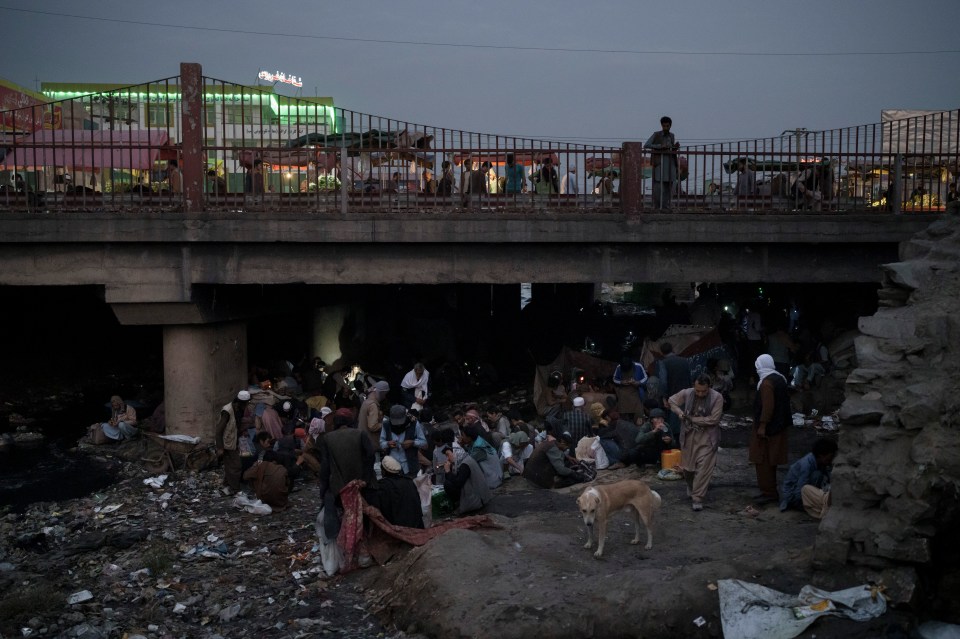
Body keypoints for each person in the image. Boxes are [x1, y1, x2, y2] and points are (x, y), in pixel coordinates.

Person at [668, 375, 723, 511]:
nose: (700, 394)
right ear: (694, 386)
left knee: (703, 468)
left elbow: (714, 419)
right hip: (688, 435)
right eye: (697, 390)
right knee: (688, 469)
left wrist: (693, 419)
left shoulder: (717, 398)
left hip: (707, 437)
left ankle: (698, 497)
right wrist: (680, 413)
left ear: (709, 388)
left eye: (703, 391)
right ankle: (692, 487)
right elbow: (671, 401)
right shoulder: (687, 393)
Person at [750, 354, 792, 505]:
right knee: (770, 460)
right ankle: (770, 491)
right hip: (778, 426)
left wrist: (762, 425)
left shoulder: (766, 383)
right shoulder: (779, 378)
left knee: (763, 461)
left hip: (768, 429)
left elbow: (768, 406)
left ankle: (768, 492)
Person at [780, 439, 837, 519]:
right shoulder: (806, 465)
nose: (830, 460)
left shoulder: (820, 462)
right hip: (794, 496)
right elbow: (799, 489)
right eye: (829, 457)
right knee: (817, 475)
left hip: (801, 492)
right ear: (821, 455)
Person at [522, 428, 587, 489]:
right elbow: (561, 470)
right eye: (567, 447)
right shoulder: (553, 449)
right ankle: (552, 485)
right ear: (562, 442)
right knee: (571, 479)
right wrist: (574, 473)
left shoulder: (550, 443)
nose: (567, 449)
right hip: (537, 481)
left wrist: (568, 457)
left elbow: (556, 454)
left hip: (529, 476)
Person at [215, 390, 252, 495]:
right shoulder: (227, 411)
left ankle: (226, 485)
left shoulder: (239, 409)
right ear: (241, 403)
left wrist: (242, 432)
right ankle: (235, 489)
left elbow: (236, 425)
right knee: (236, 465)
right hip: (226, 442)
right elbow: (219, 430)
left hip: (233, 440)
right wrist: (220, 447)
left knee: (230, 465)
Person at [441, 443, 493, 514]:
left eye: (448, 455)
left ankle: (460, 504)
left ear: (455, 452)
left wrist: (447, 471)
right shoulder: (463, 460)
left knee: (448, 485)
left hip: (478, 497)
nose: (447, 458)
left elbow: (458, 483)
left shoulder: (465, 464)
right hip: (476, 493)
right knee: (448, 482)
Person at [377, 456, 424, 528]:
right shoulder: (409, 481)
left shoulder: (384, 486)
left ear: (383, 471)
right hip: (416, 525)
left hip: (399, 527)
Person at [645, 116, 680, 211]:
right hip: (659, 164)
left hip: (670, 164)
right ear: (661, 125)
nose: (666, 128)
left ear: (670, 126)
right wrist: (660, 146)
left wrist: (674, 147)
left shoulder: (671, 136)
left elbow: (671, 148)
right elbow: (646, 145)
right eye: (664, 126)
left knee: (668, 187)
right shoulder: (656, 135)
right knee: (658, 187)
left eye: (667, 126)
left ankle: (665, 206)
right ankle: (657, 206)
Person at [380, 404, 427, 476]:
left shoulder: (414, 424)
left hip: (409, 467)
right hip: (391, 468)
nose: (398, 425)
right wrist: (387, 444)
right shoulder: (386, 425)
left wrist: (413, 442)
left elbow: (424, 443)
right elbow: (381, 443)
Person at [461, 424, 502, 490]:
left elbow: (469, 462)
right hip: (494, 475)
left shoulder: (478, 447)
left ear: (469, 437)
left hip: (492, 480)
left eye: (463, 435)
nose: (462, 438)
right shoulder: (477, 440)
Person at [613, 355, 648, 420]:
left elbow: (645, 377)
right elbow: (614, 379)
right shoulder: (619, 367)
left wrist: (638, 382)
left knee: (638, 416)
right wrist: (621, 382)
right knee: (623, 416)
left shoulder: (638, 366)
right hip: (623, 394)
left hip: (636, 393)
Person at [358, 380, 390, 449]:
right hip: (371, 444)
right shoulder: (373, 405)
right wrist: (385, 424)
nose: (384, 397)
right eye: (384, 394)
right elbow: (373, 426)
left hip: (363, 442)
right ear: (381, 393)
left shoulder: (366, 402)